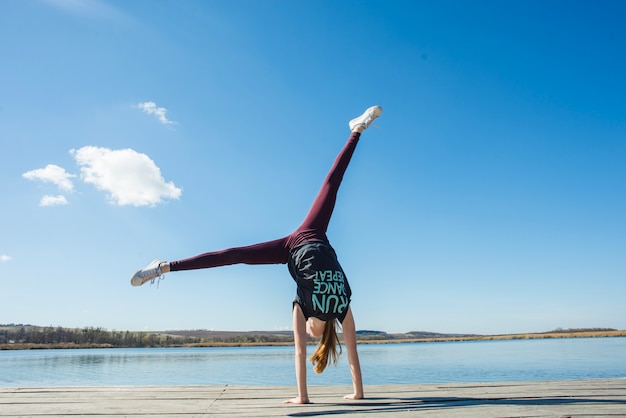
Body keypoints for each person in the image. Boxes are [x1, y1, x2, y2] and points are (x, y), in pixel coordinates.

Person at [130, 105, 383, 404]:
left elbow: (344, 351)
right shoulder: (321, 306)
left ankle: (164, 267)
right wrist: (319, 397)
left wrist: (356, 393)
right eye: (311, 331)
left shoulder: (340, 306)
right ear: (321, 327)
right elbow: (307, 351)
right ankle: (357, 129)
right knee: (329, 186)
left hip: (300, 242)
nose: (308, 331)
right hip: (304, 240)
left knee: (236, 253)